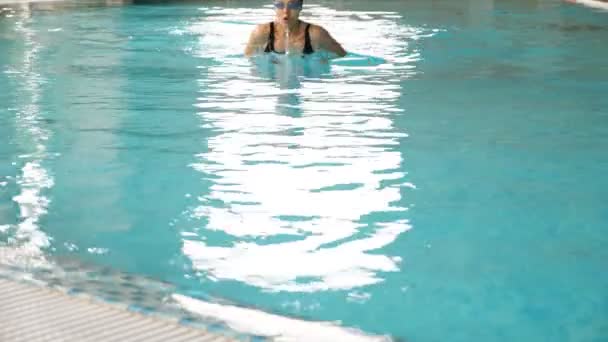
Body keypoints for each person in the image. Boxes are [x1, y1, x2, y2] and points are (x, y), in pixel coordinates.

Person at [244, 0, 347, 57]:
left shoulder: (316, 34)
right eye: (280, 5)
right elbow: (248, 60)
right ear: (274, 7)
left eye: (293, 5)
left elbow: (342, 56)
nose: (286, 11)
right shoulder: (261, 33)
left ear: (300, 7)